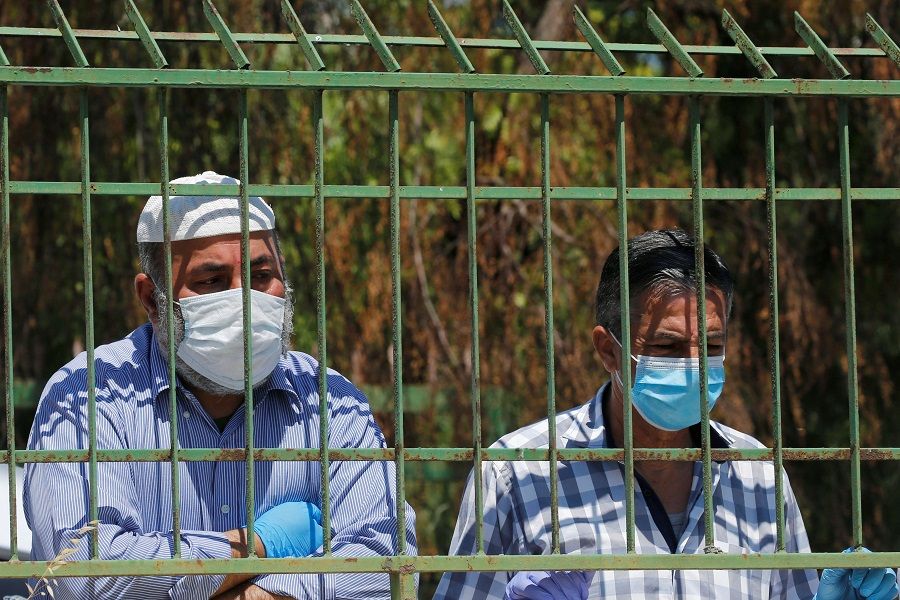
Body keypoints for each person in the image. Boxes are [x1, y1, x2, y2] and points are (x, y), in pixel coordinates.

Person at [434, 229, 897, 600]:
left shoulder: (757, 474)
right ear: (608, 351)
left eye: (711, 347)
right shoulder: (518, 471)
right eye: (666, 347)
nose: (694, 365)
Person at [24, 171, 417, 600]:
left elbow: (388, 568)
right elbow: (84, 575)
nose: (244, 300)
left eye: (261, 274)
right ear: (152, 299)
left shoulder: (332, 404)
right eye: (211, 282)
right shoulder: (87, 396)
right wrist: (255, 546)